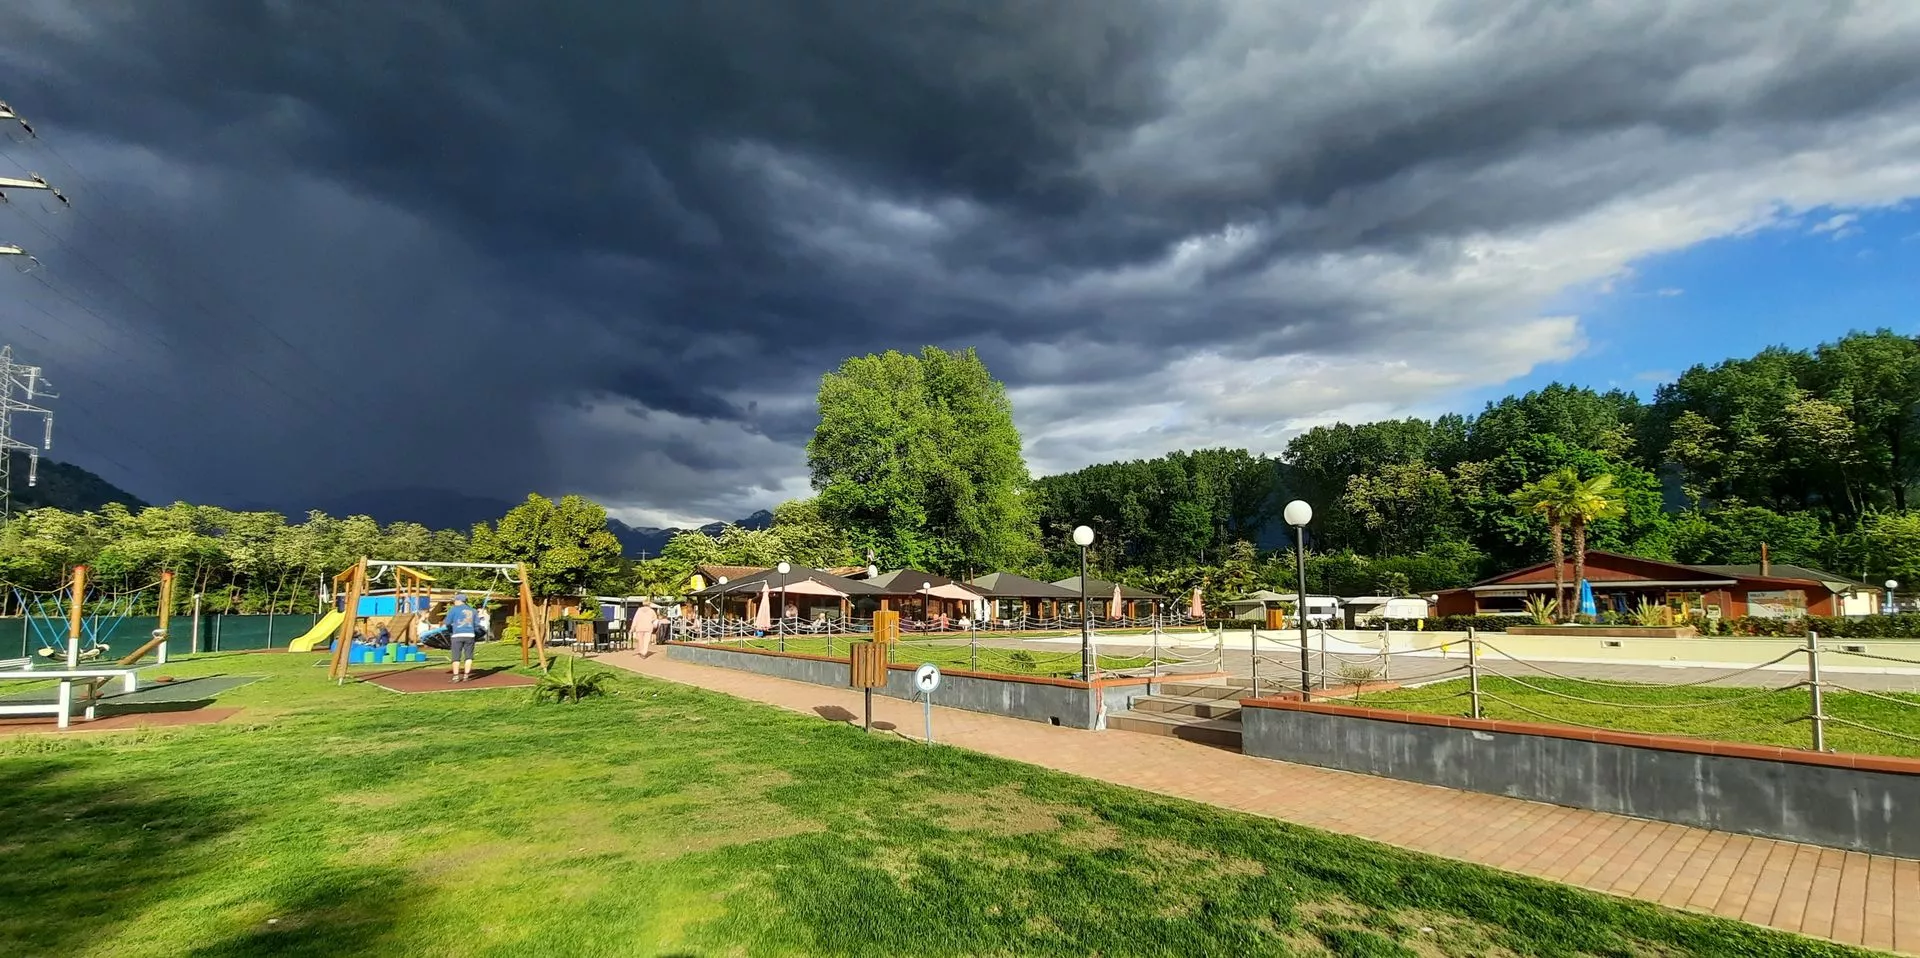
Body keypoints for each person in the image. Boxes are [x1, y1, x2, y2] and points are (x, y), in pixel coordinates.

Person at [445, 593, 478, 683]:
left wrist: (450, 630)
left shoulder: (453, 609)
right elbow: (477, 624)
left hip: (457, 635)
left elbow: (447, 623)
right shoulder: (473, 610)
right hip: (470, 635)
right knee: (469, 656)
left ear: (459, 601)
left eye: (455, 600)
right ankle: (466, 676)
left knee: (456, 656)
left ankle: (456, 676)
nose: (454, 602)